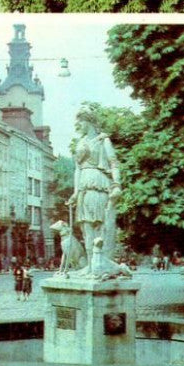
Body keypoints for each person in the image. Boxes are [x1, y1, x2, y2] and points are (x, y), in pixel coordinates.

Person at [67, 108, 122, 274]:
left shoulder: (103, 140)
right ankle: (91, 266)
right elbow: (77, 169)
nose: (78, 125)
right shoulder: (80, 142)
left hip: (98, 184)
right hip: (84, 186)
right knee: (86, 228)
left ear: (88, 121)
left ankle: (100, 264)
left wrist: (117, 184)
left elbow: (114, 163)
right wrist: (76, 192)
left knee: (99, 225)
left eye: (80, 121)